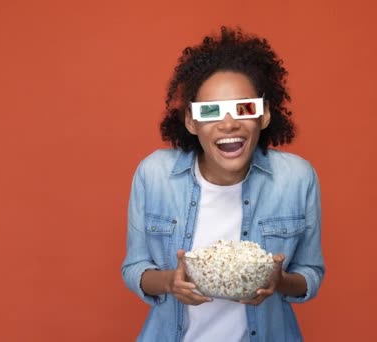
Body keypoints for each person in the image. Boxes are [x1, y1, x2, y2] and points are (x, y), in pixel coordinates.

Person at [122, 26, 325, 342]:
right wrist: (170, 282)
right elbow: (135, 267)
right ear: (191, 121)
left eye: (244, 109)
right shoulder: (155, 175)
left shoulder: (297, 179)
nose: (229, 123)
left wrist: (279, 282)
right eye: (211, 111)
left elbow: (310, 273)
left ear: (265, 115)